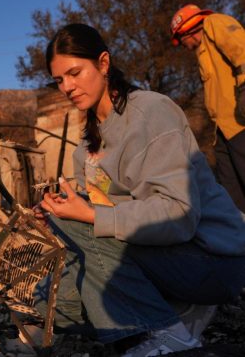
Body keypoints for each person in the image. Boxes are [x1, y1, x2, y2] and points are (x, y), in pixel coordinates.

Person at [33, 23, 245, 356]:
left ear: (103, 64)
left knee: (76, 225)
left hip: (212, 260)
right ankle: (171, 309)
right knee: (48, 299)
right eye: (59, 80)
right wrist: (61, 209)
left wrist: (86, 214)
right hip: (158, 258)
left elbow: (179, 215)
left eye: (75, 73)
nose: (68, 87)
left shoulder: (151, 113)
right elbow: (102, 212)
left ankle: (170, 334)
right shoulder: (84, 148)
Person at [170, 4, 245, 213]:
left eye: (181, 39)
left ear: (187, 30)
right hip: (223, 131)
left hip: (240, 123)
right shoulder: (203, 52)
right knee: (232, 191)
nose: (183, 45)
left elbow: (241, 47)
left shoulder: (214, 23)